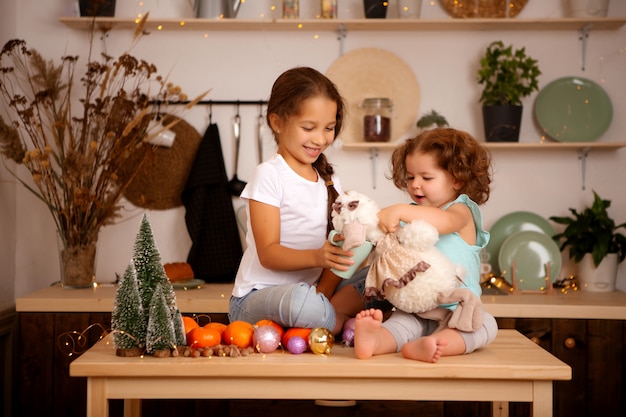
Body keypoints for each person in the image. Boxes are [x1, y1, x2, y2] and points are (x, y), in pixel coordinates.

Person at [228, 67, 366, 336]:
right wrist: (318, 256)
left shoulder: (330, 179)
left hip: (316, 293)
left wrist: (353, 245)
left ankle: (324, 312)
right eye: (308, 128)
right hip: (258, 298)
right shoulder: (269, 175)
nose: (320, 139)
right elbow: (268, 253)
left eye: (329, 128)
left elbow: (338, 254)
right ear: (277, 122)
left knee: (382, 279)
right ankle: (333, 320)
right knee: (299, 302)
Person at [354, 127, 498, 362]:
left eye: (426, 177)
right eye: (411, 177)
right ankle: (375, 340)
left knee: (485, 325)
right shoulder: (410, 213)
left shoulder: (461, 210)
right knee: (399, 325)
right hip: (416, 308)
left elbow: (444, 222)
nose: (415, 185)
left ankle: (434, 343)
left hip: (458, 310)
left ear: (457, 180)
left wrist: (399, 211)